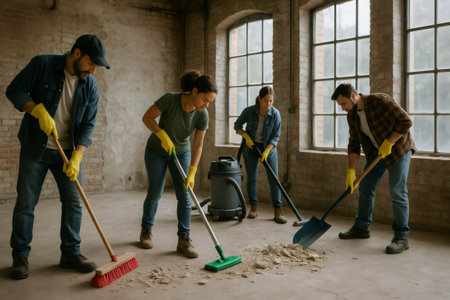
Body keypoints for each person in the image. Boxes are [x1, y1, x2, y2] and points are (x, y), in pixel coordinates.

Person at [5, 34, 110, 279]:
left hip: (68, 152)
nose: (93, 69)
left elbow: (88, 125)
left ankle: (70, 253)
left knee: (74, 203)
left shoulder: (90, 85)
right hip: (37, 148)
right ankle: (20, 256)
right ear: (76, 53)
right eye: (91, 63)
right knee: (26, 204)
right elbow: (15, 90)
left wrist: (77, 158)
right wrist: (35, 109)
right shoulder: (43, 64)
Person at [331, 83, 415, 254]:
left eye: (343, 104)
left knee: (397, 191)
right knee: (365, 185)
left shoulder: (380, 100)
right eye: (340, 105)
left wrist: (390, 142)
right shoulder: (352, 116)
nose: (342, 108)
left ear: (353, 97)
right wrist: (351, 172)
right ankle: (362, 227)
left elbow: (406, 121)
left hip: (398, 150)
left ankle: (401, 237)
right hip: (377, 153)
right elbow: (354, 144)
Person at [140, 70, 217, 258]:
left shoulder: (202, 115)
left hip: (181, 152)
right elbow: (147, 117)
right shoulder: (170, 99)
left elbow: (198, 145)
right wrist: (161, 134)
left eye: (210, 102)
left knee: (185, 195)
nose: (206, 105)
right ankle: (146, 230)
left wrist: (192, 171)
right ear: (195, 91)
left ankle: (184, 239)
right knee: (155, 192)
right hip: (157, 151)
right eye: (205, 99)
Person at [234, 86, 287, 224]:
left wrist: (268, 150)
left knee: (274, 179)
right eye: (266, 101)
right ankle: (254, 209)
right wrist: (245, 135)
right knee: (252, 178)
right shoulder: (249, 111)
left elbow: (276, 136)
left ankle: (278, 211)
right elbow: (237, 125)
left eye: (271, 101)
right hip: (251, 148)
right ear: (259, 99)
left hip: (268, 149)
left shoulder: (275, 114)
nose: (268, 104)